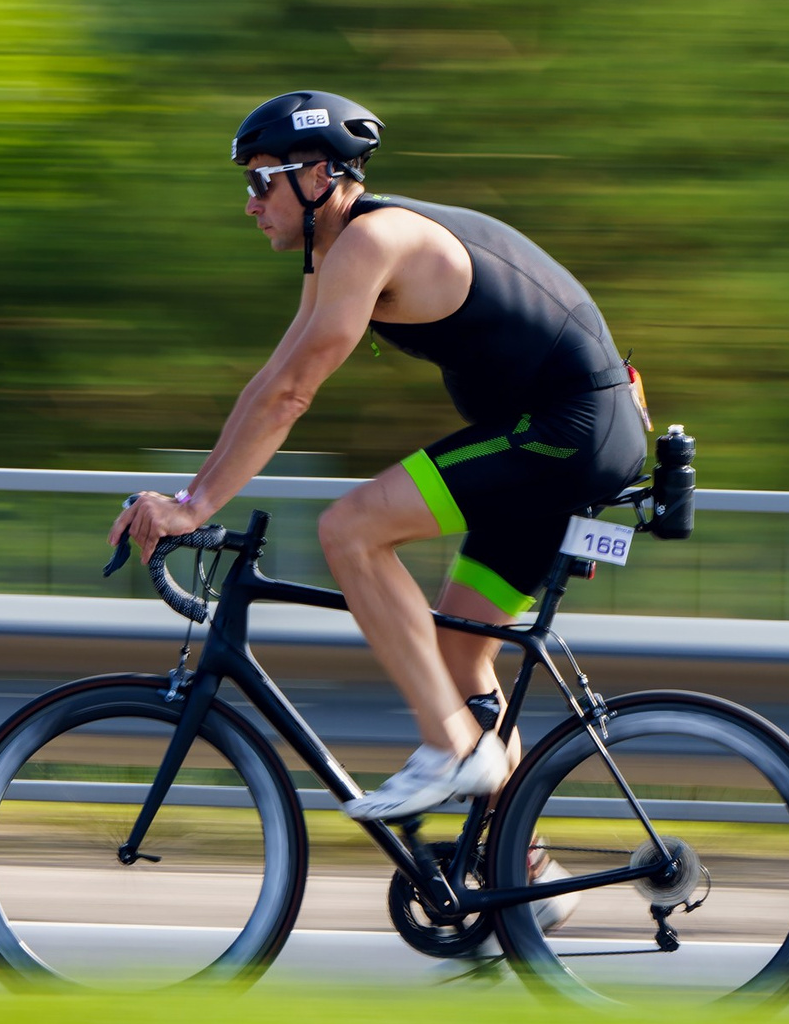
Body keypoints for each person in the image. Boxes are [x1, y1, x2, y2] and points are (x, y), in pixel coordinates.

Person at [110, 92, 646, 821]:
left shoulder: (373, 240)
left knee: (351, 528)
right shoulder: (335, 252)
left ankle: (453, 748)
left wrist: (196, 507)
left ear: (319, 174)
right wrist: (188, 496)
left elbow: (295, 394)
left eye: (262, 179)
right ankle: (520, 879)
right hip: (564, 435)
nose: (250, 202)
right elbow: (271, 381)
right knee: (457, 660)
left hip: (571, 430)